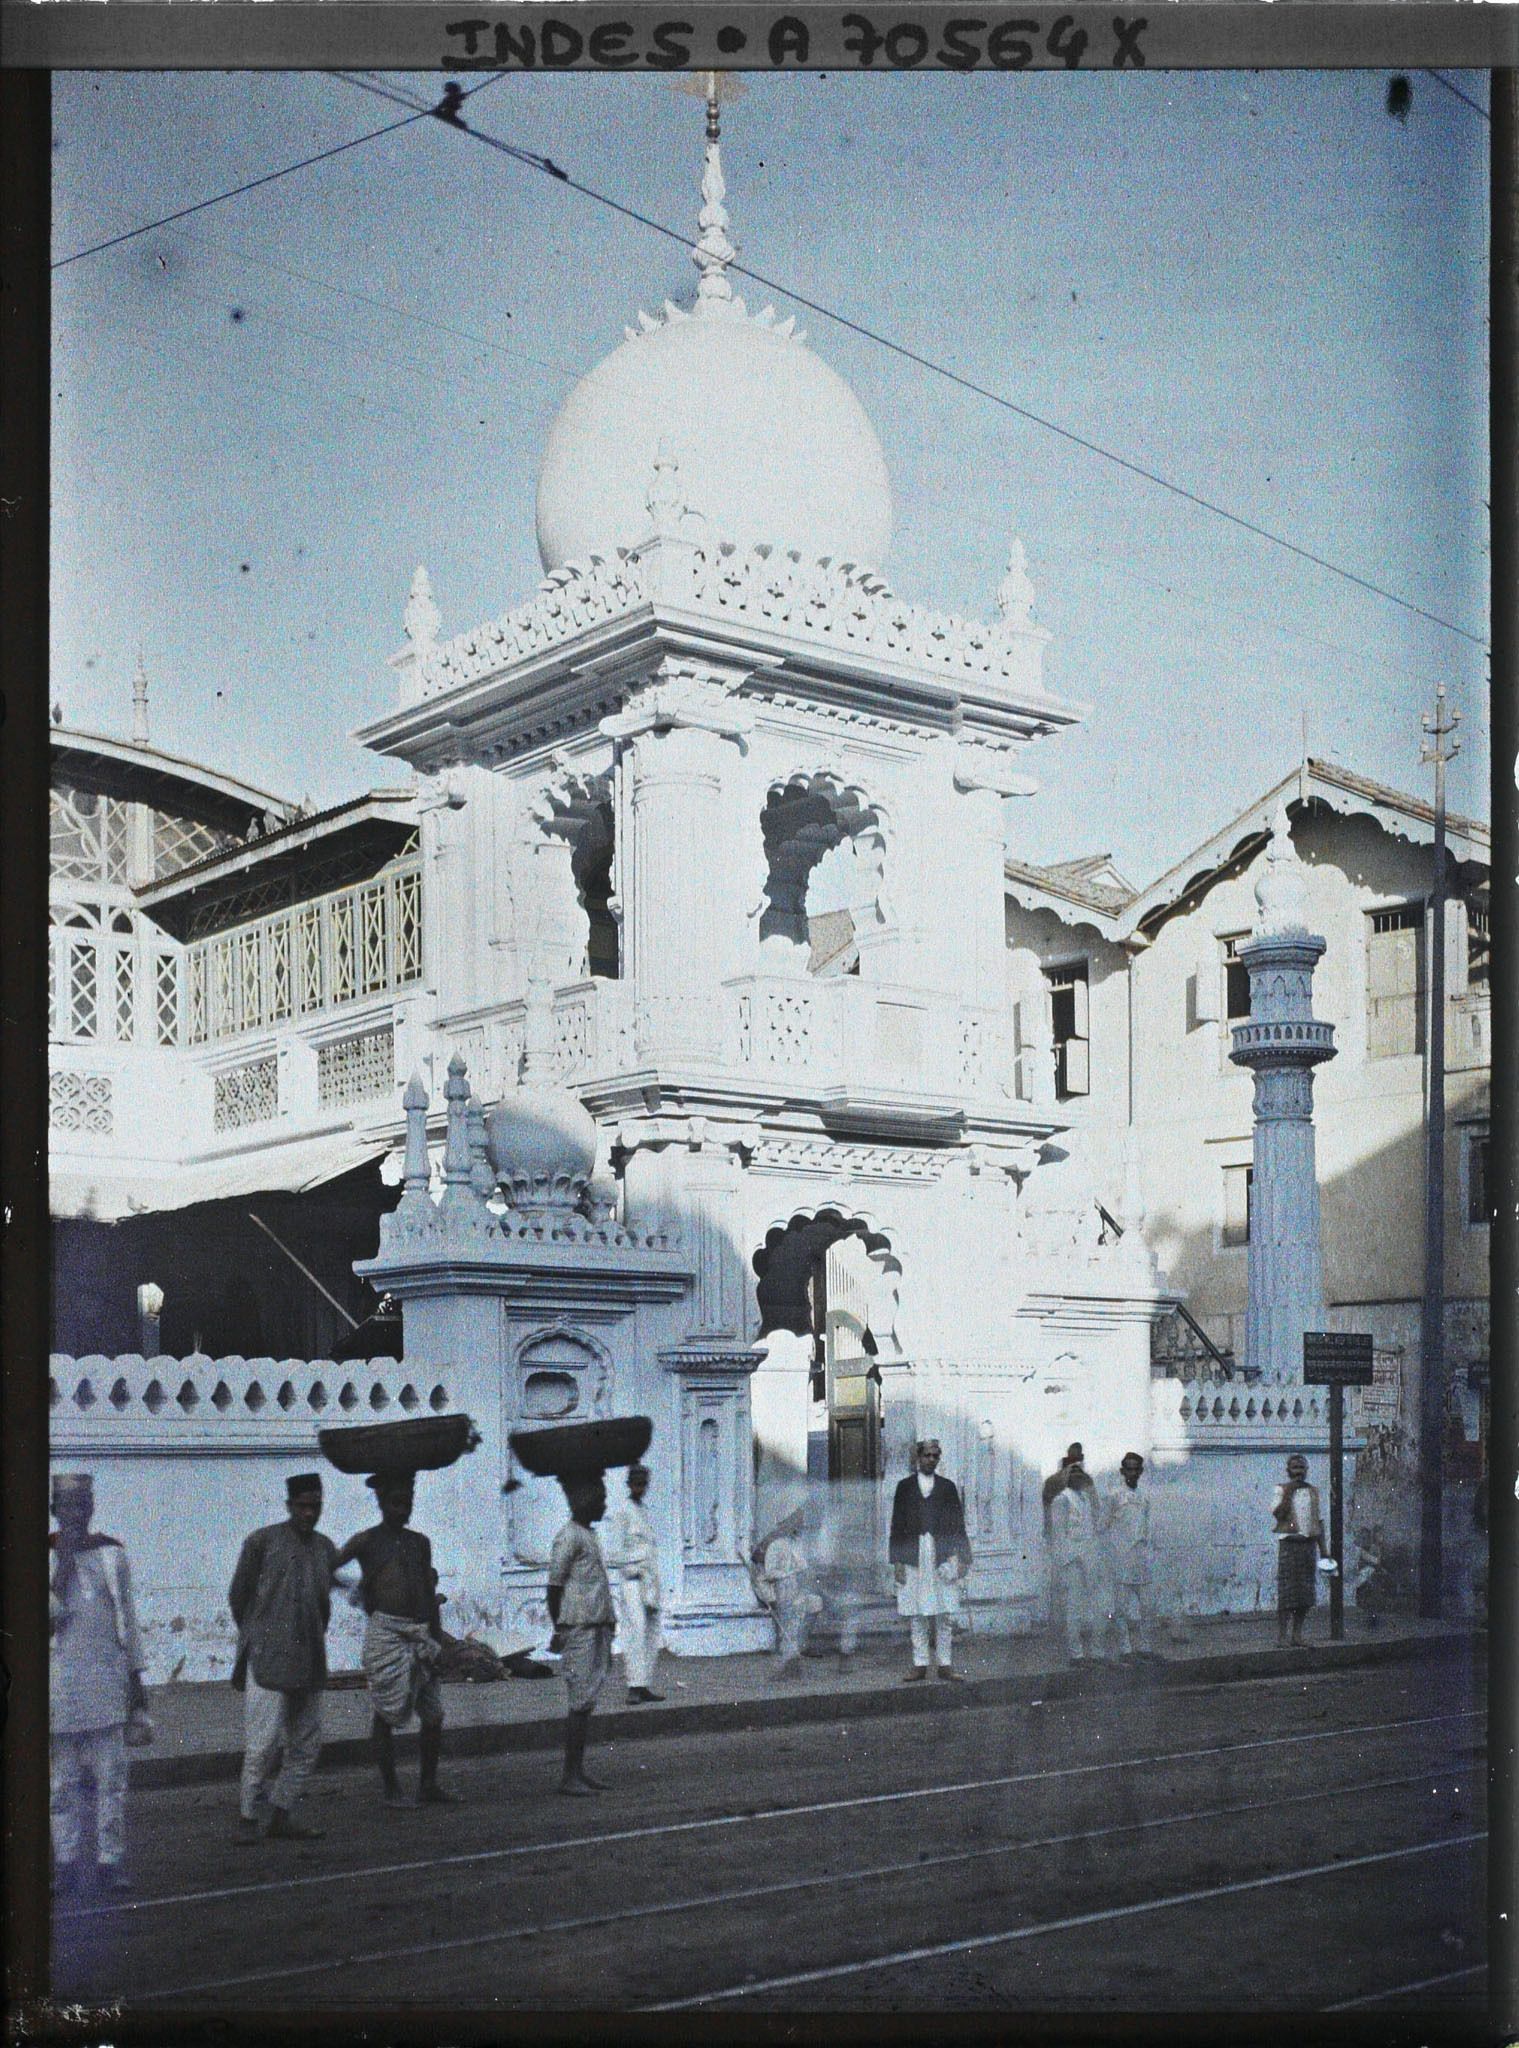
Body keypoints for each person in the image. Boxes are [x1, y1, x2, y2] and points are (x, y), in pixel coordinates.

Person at [333, 1471, 458, 1808]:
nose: (403, 1510)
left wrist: (437, 1639)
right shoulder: (365, 1541)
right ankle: (391, 1789)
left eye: (408, 1503)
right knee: (386, 1712)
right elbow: (328, 1566)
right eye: (396, 1503)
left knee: (433, 1714)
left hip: (420, 1633)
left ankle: (428, 1785)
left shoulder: (420, 1542)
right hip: (386, 1633)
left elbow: (428, 1593)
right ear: (381, 1502)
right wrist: (358, 1591)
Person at [227, 1472, 339, 1843]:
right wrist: (257, 1637)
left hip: (308, 1657)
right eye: (303, 1506)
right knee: (262, 1743)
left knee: (306, 1743)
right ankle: (246, 1818)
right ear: (290, 1506)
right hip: (268, 1658)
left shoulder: (325, 1548)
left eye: (315, 1507)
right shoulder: (262, 1542)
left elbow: (330, 1598)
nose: (309, 1514)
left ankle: (281, 1813)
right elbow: (239, 1595)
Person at [49, 1473, 147, 1893]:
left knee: (112, 1781)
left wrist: (137, 1684)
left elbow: (129, 1623)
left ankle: (111, 1860)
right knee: (61, 1786)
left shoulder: (112, 1555)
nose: (75, 1514)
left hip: (106, 1683)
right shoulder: (41, 1556)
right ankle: (65, 1862)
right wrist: (64, 1566)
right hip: (58, 1690)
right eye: (67, 1506)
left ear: (91, 1509)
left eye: (82, 1505)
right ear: (54, 1511)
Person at [547, 1474, 616, 1796]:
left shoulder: (588, 1535)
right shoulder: (569, 1537)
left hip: (596, 1627)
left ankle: (577, 1771)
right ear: (581, 1501)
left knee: (586, 1701)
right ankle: (569, 1776)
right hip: (580, 1629)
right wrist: (559, 1628)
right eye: (599, 1498)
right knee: (579, 1701)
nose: (603, 1504)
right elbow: (554, 1586)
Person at [888, 1438, 973, 1682]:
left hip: (941, 1554)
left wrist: (964, 1558)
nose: (931, 1460)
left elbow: (958, 1523)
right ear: (918, 1458)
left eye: (936, 1456)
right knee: (918, 1613)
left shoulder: (947, 1487)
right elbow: (897, 1524)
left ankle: (945, 1664)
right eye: (927, 1455)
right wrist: (898, 1563)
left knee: (944, 1612)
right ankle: (920, 1664)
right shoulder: (905, 1487)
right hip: (914, 1554)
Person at [602, 1463, 665, 1704]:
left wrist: (650, 1578)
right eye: (636, 1484)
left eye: (643, 1484)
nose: (640, 1489)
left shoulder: (644, 1511)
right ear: (629, 1485)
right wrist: (633, 1569)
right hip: (632, 1581)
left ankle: (644, 1683)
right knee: (635, 1632)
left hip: (649, 1580)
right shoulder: (622, 1512)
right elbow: (615, 1553)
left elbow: (649, 1549)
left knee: (651, 1632)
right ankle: (633, 1686)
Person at [1048, 1446, 1104, 1663]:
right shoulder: (1061, 1500)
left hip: (1088, 1558)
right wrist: (1072, 1559)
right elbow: (1059, 1535)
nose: (1078, 1477)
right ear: (1066, 1477)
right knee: (1074, 1608)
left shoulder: (1085, 1500)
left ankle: (1094, 1652)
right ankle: (1076, 1653)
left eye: (1080, 1473)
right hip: (1072, 1562)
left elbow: (1091, 1529)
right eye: (1073, 1473)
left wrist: (1091, 1555)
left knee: (1092, 1607)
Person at [1106, 1452, 1159, 1661]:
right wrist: (1115, 1550)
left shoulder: (1145, 1496)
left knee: (1148, 1606)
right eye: (1128, 1468)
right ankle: (1126, 1650)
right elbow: (1104, 1525)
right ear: (1122, 1471)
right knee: (1121, 1608)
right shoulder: (1114, 1496)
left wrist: (1148, 1551)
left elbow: (1146, 1526)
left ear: (1141, 1471)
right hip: (1122, 1559)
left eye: (1136, 1469)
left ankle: (1145, 1648)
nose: (1132, 1473)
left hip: (1141, 1559)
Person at [1272, 1452, 1327, 1646]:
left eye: (1302, 1468)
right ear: (1288, 1471)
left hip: (1308, 1546)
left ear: (1307, 1471)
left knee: (1305, 1593)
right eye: (1295, 1468)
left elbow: (1319, 1521)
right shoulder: (1281, 1490)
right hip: (1289, 1546)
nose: (1299, 1472)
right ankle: (1282, 1635)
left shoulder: (1313, 1491)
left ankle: (1297, 1634)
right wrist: (1289, 1494)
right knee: (1287, 1593)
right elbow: (1278, 1515)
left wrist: (1324, 1550)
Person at [758, 1508, 821, 1676]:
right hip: (779, 1589)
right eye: (795, 1523)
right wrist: (790, 1574)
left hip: (796, 1588)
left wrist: (805, 1575)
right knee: (791, 1599)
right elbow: (770, 1573)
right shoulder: (775, 1545)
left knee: (815, 1602)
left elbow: (804, 1567)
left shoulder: (796, 1544)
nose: (799, 1527)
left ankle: (802, 1643)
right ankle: (787, 1647)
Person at [1041, 1444, 1078, 1642]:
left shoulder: (1054, 1482)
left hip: (1061, 1539)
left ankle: (1059, 1627)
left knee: (1061, 1584)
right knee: (1063, 1584)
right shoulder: (1060, 1484)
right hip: (1064, 1540)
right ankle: (1060, 1626)